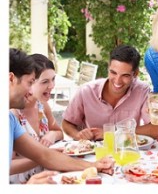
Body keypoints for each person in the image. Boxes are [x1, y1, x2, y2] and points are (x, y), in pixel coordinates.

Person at [9, 48, 115, 184]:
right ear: (11, 79)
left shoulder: (9, 120)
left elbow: (43, 155)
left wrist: (94, 165)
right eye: (30, 83)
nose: (31, 91)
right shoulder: (13, 115)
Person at [62, 45, 158, 141]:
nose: (117, 81)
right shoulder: (86, 91)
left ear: (135, 74)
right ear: (108, 68)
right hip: (94, 150)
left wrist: (112, 133)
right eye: (113, 72)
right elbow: (67, 123)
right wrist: (78, 135)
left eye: (125, 75)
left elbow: (156, 130)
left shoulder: (142, 91)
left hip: (126, 150)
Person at [10, 54, 64, 183]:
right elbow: (8, 165)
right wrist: (45, 157)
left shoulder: (42, 106)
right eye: (45, 82)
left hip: (46, 174)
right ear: (30, 82)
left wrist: (52, 135)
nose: (52, 86)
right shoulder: (13, 114)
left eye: (53, 79)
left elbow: (60, 132)